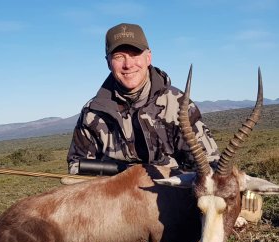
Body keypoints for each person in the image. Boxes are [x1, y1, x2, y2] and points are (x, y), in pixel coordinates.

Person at [66, 23, 261, 223]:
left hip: (172, 199)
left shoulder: (178, 104)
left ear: (148, 57)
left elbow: (210, 166)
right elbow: (76, 166)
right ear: (108, 62)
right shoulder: (92, 112)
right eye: (118, 56)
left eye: (135, 54)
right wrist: (120, 180)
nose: (128, 64)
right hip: (115, 205)